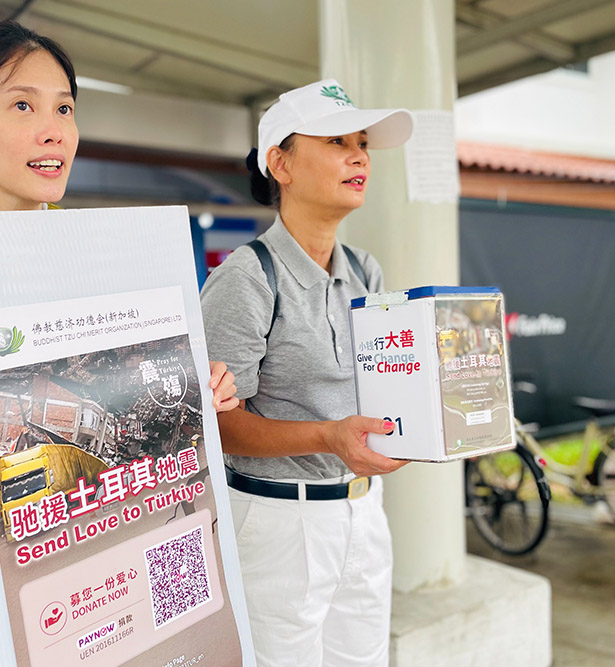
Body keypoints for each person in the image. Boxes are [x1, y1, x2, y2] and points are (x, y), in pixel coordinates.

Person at [0, 21, 237, 666]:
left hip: (92, 574)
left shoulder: (98, 257)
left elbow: (122, 403)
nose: (53, 130)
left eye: (64, 109)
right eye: (23, 106)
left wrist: (193, 388)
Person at [199, 79, 414, 667]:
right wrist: (328, 436)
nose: (359, 156)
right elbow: (219, 425)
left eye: (363, 143)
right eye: (337, 141)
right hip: (279, 523)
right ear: (281, 164)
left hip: (364, 511)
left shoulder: (365, 271)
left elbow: (389, 382)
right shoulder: (246, 278)